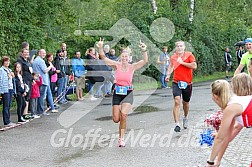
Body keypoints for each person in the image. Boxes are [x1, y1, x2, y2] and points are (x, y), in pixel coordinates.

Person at [97, 38, 148, 147]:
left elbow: (144, 61)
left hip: (128, 93)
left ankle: (121, 139)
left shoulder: (132, 66)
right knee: (116, 119)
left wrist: (144, 50)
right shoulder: (116, 65)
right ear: (121, 58)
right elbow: (104, 58)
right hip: (117, 93)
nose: (124, 58)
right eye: (123, 56)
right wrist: (100, 47)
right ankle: (120, 116)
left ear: (129, 58)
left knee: (123, 116)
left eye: (126, 56)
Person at [206, 73, 252, 167]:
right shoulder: (238, 104)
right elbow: (227, 137)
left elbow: (220, 138)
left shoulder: (232, 107)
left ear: (215, 96)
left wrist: (210, 162)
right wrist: (218, 160)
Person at [165, 40, 197, 132]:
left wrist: (182, 62)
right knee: (177, 101)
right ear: (175, 48)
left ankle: (185, 117)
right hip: (176, 82)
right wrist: (168, 75)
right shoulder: (173, 57)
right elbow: (171, 66)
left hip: (187, 83)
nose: (179, 47)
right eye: (177, 46)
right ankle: (177, 124)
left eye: (181, 46)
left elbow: (194, 66)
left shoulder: (189, 55)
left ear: (184, 47)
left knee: (185, 103)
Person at [32, 49, 58, 115]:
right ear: (39, 53)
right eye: (43, 53)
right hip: (42, 81)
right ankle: (40, 111)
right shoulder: (41, 61)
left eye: (45, 53)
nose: (44, 54)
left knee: (40, 96)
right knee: (41, 97)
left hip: (39, 80)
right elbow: (45, 70)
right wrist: (50, 66)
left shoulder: (35, 60)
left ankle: (39, 110)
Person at [0, 56, 16, 126]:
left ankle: (8, 120)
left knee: (9, 105)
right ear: (3, 62)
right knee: (6, 105)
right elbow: (1, 80)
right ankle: (6, 121)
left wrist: (12, 76)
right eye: (6, 61)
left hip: (10, 88)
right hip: (5, 89)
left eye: (8, 61)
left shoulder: (9, 70)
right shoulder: (1, 70)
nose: (7, 62)